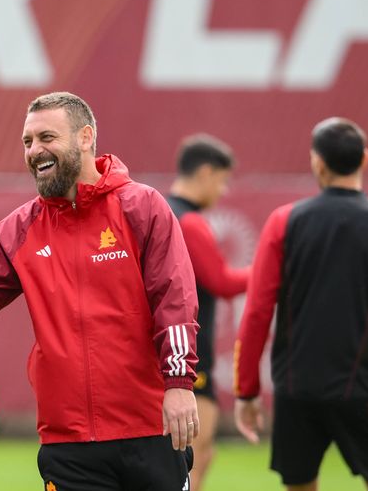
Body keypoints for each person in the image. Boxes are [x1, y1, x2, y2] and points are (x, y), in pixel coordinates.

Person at [0, 91, 199, 490]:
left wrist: (179, 384)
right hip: (67, 442)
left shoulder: (142, 207)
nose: (34, 151)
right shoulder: (19, 229)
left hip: (149, 429)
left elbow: (174, 301)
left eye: (47, 138)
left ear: (85, 137)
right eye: (27, 141)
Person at [234, 118, 368, 491]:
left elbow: (257, 312)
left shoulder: (283, 222)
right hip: (364, 388)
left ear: (317, 162)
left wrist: (246, 390)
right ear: (365, 158)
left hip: (297, 391)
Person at [166, 134, 250, 491]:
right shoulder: (190, 221)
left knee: (184, 461)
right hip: (190, 360)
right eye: (222, 180)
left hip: (161, 355)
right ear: (205, 173)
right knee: (195, 460)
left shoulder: (157, 211)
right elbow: (222, 281)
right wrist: (273, 270)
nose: (222, 190)